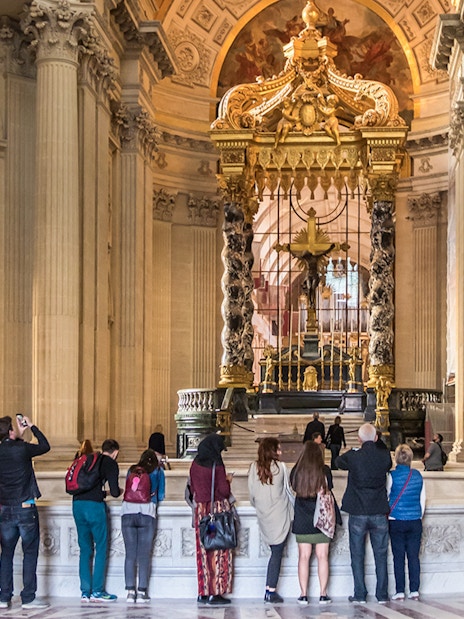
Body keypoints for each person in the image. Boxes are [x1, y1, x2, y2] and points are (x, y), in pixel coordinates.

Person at [336, 423, 392, 604]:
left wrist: (354, 450)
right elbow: (389, 465)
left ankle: (360, 593)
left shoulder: (353, 456)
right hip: (378, 510)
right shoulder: (384, 456)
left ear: (359, 439)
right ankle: (382, 594)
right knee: (381, 554)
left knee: (357, 554)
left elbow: (338, 462)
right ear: (376, 438)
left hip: (358, 511)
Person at [0, 415, 50, 610]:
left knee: (6, 554)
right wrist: (32, 427)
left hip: (4, 508)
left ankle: (4, 597)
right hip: (25, 507)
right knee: (29, 553)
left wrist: (17, 434)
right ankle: (28, 597)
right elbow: (45, 446)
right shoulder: (22, 449)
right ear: (11, 431)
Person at [72, 438, 122, 603]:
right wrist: (116, 491)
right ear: (115, 452)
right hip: (94, 508)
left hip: (78, 505)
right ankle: (98, 591)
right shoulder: (110, 463)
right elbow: (114, 492)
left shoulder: (88, 459)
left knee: (84, 550)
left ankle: (85, 592)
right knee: (101, 548)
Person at [189, 433, 234, 606]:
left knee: (203, 551)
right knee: (218, 550)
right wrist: (228, 481)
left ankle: (203, 591)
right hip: (215, 515)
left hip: (201, 513)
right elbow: (223, 491)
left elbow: (192, 487)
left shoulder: (194, 464)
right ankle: (216, 593)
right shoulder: (217, 465)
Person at [248, 437, 293, 604]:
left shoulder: (254, 467)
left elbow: (251, 494)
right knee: (277, 553)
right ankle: (270, 590)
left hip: (263, 514)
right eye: (278, 449)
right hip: (280, 514)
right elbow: (288, 491)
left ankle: (269, 588)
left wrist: (260, 506)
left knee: (275, 551)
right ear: (272, 450)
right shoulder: (281, 467)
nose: (281, 452)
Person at [290, 440, 336, 606]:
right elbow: (329, 488)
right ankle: (323, 594)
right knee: (323, 557)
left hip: (302, 519)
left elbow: (293, 487)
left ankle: (303, 594)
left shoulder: (297, 471)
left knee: (303, 557)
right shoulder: (325, 471)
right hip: (321, 519)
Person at [122, 448, 165, 603]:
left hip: (127, 512)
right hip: (147, 512)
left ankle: (129, 592)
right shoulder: (158, 471)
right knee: (144, 555)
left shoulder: (132, 470)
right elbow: (161, 495)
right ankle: (141, 592)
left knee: (130, 554)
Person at [388, 444, 425, 601]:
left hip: (396, 520)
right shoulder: (417, 475)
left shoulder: (391, 476)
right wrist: (417, 515)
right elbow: (423, 499)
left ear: (396, 458)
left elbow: (387, 496)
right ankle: (415, 589)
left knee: (398, 557)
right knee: (413, 556)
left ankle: (400, 590)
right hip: (415, 520)